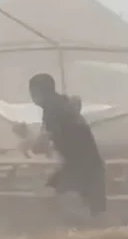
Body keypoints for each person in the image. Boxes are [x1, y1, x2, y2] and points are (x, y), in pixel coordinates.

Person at [25, 73, 107, 219]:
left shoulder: (53, 109)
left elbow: (41, 146)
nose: (32, 98)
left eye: (32, 93)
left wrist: (24, 135)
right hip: (85, 163)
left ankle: (75, 231)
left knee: (56, 199)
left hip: (82, 165)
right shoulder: (60, 103)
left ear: (38, 92)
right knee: (85, 204)